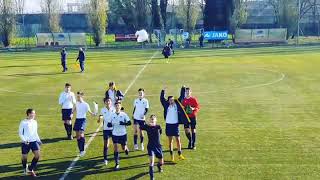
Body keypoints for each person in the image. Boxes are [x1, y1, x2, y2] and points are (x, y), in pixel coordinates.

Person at [160, 87, 187, 162]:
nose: (172, 101)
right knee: (170, 141)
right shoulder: (166, 105)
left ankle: (180, 154)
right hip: (168, 125)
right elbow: (162, 99)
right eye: (170, 100)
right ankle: (172, 156)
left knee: (178, 140)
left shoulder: (176, 105)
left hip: (175, 125)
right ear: (168, 101)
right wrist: (163, 91)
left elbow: (182, 97)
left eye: (173, 99)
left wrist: (183, 88)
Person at [107, 101, 131, 171]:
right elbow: (108, 124)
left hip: (123, 134)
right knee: (116, 148)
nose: (117, 107)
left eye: (118, 106)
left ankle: (126, 149)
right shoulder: (112, 115)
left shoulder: (124, 114)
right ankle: (117, 163)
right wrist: (111, 124)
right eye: (116, 106)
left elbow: (129, 123)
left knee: (123, 148)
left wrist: (123, 123)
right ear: (115, 107)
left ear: (120, 107)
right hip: (115, 134)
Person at [19, 108, 42, 177]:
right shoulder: (23, 122)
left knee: (37, 155)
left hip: (34, 141)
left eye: (34, 113)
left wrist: (38, 140)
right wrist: (25, 140)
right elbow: (20, 133)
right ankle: (25, 169)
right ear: (29, 114)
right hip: (25, 142)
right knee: (24, 157)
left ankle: (30, 169)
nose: (34, 114)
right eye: (33, 113)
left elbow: (35, 132)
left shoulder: (35, 122)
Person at [141, 115, 164, 180]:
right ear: (149, 120)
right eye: (151, 119)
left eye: (153, 119)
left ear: (156, 120)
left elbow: (161, 132)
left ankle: (159, 166)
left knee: (161, 162)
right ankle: (152, 177)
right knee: (151, 162)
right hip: (151, 147)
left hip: (158, 146)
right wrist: (144, 121)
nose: (152, 120)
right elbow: (141, 127)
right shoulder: (147, 127)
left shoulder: (158, 127)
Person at [73, 91, 95, 157]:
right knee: (77, 135)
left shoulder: (86, 104)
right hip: (77, 120)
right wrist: (71, 113)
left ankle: (82, 150)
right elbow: (74, 108)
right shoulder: (76, 103)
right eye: (77, 96)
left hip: (82, 120)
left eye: (79, 96)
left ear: (82, 96)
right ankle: (80, 150)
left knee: (80, 133)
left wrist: (93, 114)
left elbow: (90, 112)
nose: (77, 97)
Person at [97, 97, 115, 165]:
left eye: (109, 101)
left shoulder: (114, 108)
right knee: (106, 145)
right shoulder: (102, 109)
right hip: (106, 130)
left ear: (111, 102)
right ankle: (105, 159)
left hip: (113, 129)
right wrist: (99, 119)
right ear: (105, 102)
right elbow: (101, 116)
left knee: (115, 144)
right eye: (107, 101)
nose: (108, 102)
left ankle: (115, 158)